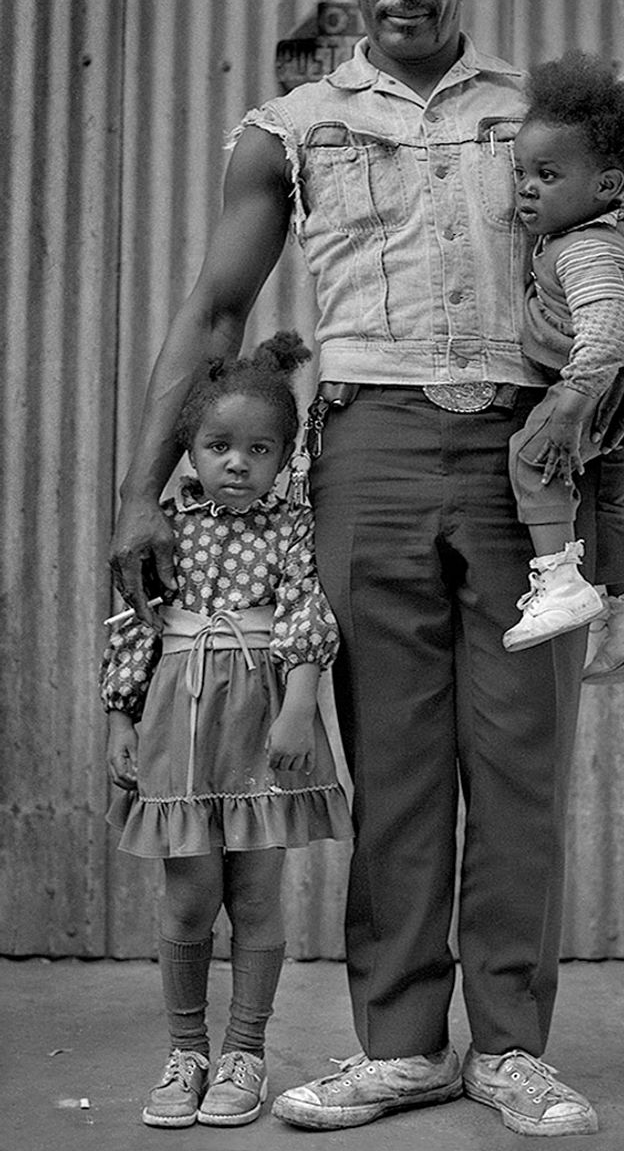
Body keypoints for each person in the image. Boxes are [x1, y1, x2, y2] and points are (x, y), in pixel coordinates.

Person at [109, 0, 624, 1139]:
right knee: (398, 761)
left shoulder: (540, 122)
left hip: (522, 462)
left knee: (522, 759)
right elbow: (214, 313)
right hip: (364, 456)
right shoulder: (295, 129)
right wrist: (139, 494)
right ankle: (402, 1045)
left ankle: (515, 1050)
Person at [101, 332, 351, 1130]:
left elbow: (309, 610)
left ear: (282, 459)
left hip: (260, 719)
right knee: (188, 894)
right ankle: (186, 1052)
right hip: (179, 721)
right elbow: (135, 624)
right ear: (191, 450)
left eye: (258, 449)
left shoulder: (288, 526)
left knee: (255, 888)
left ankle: (245, 1050)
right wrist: (119, 718)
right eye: (218, 446)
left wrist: (300, 702)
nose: (237, 462)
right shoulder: (167, 526)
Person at [501, 51, 624, 684]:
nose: (526, 186)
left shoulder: (584, 252)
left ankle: (560, 584)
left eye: (547, 174)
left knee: (531, 455)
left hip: (601, 392)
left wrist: (570, 408)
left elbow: (603, 341)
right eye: (521, 171)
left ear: (603, 186)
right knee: (609, 503)